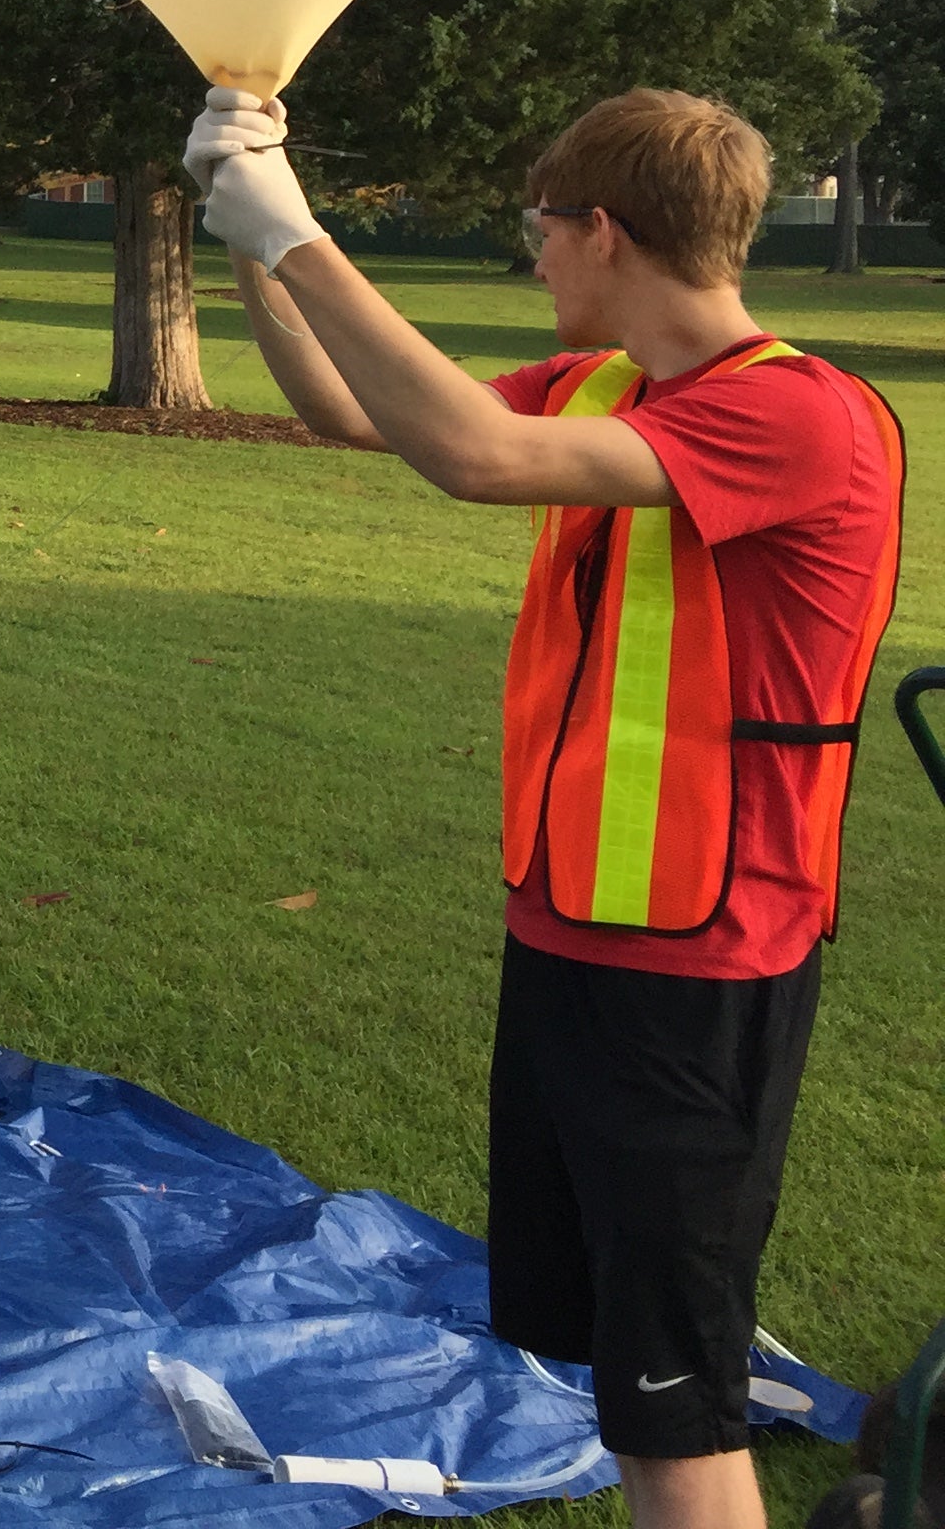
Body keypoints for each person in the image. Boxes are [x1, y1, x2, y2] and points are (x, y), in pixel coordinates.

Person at [192, 85, 902, 1529]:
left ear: (604, 231)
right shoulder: (606, 391)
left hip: (700, 966)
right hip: (584, 930)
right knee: (626, 1381)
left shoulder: (795, 413)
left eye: (541, 233)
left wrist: (303, 226)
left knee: (679, 1398)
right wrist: (253, 247)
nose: (535, 262)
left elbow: (479, 461)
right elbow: (353, 412)